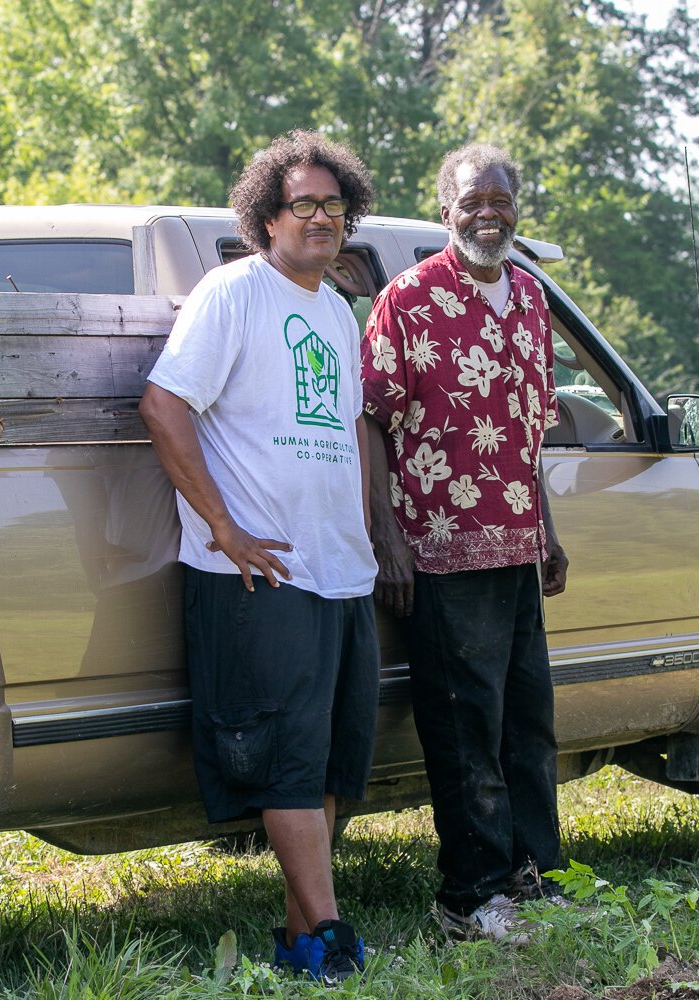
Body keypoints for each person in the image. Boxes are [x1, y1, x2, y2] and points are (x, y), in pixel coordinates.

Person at [140, 130, 378, 985]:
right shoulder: (233, 292)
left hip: (337, 568)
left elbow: (344, 432)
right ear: (266, 217)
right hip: (257, 573)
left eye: (332, 204)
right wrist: (224, 528)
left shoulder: (337, 313)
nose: (319, 218)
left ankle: (300, 941)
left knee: (324, 768)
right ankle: (335, 935)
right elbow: (165, 406)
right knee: (283, 764)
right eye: (301, 204)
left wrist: (372, 538)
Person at [360, 143, 569, 943]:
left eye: (500, 200)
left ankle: (535, 876)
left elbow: (529, 432)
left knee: (528, 722)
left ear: (516, 207)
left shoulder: (528, 300)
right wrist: (387, 536)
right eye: (471, 201)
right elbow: (372, 421)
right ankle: (470, 898)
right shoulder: (409, 300)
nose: (488, 214)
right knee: (464, 725)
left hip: (515, 545)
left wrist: (547, 529)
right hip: (439, 550)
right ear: (445, 211)